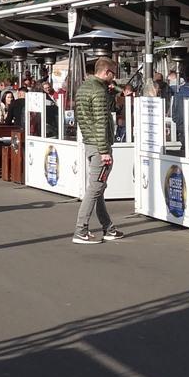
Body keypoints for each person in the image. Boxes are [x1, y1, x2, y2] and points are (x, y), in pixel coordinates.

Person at [71, 57, 123, 245]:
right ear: (107, 72)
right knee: (95, 188)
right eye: (113, 74)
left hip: (89, 142)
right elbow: (101, 122)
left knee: (97, 187)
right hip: (99, 145)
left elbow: (88, 116)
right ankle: (81, 230)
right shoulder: (99, 92)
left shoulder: (84, 88)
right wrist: (105, 150)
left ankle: (108, 227)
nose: (114, 77)